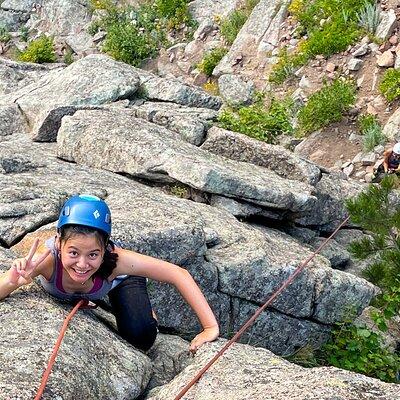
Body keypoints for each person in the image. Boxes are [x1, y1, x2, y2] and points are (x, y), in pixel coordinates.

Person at [0, 194, 219, 352]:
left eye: (93, 254)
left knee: (140, 337)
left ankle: (143, 309)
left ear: (106, 248)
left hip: (118, 282)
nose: (82, 264)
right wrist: (11, 281)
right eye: (74, 252)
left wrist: (209, 327)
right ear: (59, 243)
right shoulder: (44, 261)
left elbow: (178, 274)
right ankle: (93, 298)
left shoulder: (117, 262)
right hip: (91, 286)